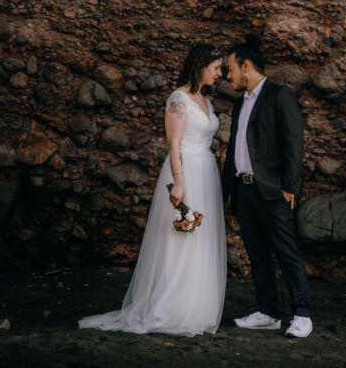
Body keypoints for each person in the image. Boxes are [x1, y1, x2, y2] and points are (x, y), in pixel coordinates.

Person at [78, 43, 227, 336]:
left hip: (207, 171)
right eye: (215, 68)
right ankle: (171, 306)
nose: (219, 74)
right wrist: (180, 181)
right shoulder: (178, 98)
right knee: (181, 236)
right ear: (200, 66)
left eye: (220, 68)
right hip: (186, 169)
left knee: (202, 237)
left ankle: (197, 305)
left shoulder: (205, 101)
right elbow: (173, 144)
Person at [221, 35, 312, 338]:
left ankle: (301, 314)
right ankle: (268, 311)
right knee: (257, 253)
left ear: (246, 66)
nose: (227, 74)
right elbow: (234, 148)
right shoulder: (239, 105)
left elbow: (294, 144)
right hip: (244, 190)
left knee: (286, 252)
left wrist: (290, 186)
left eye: (230, 68)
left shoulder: (279, 95)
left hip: (273, 190)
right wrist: (226, 191)